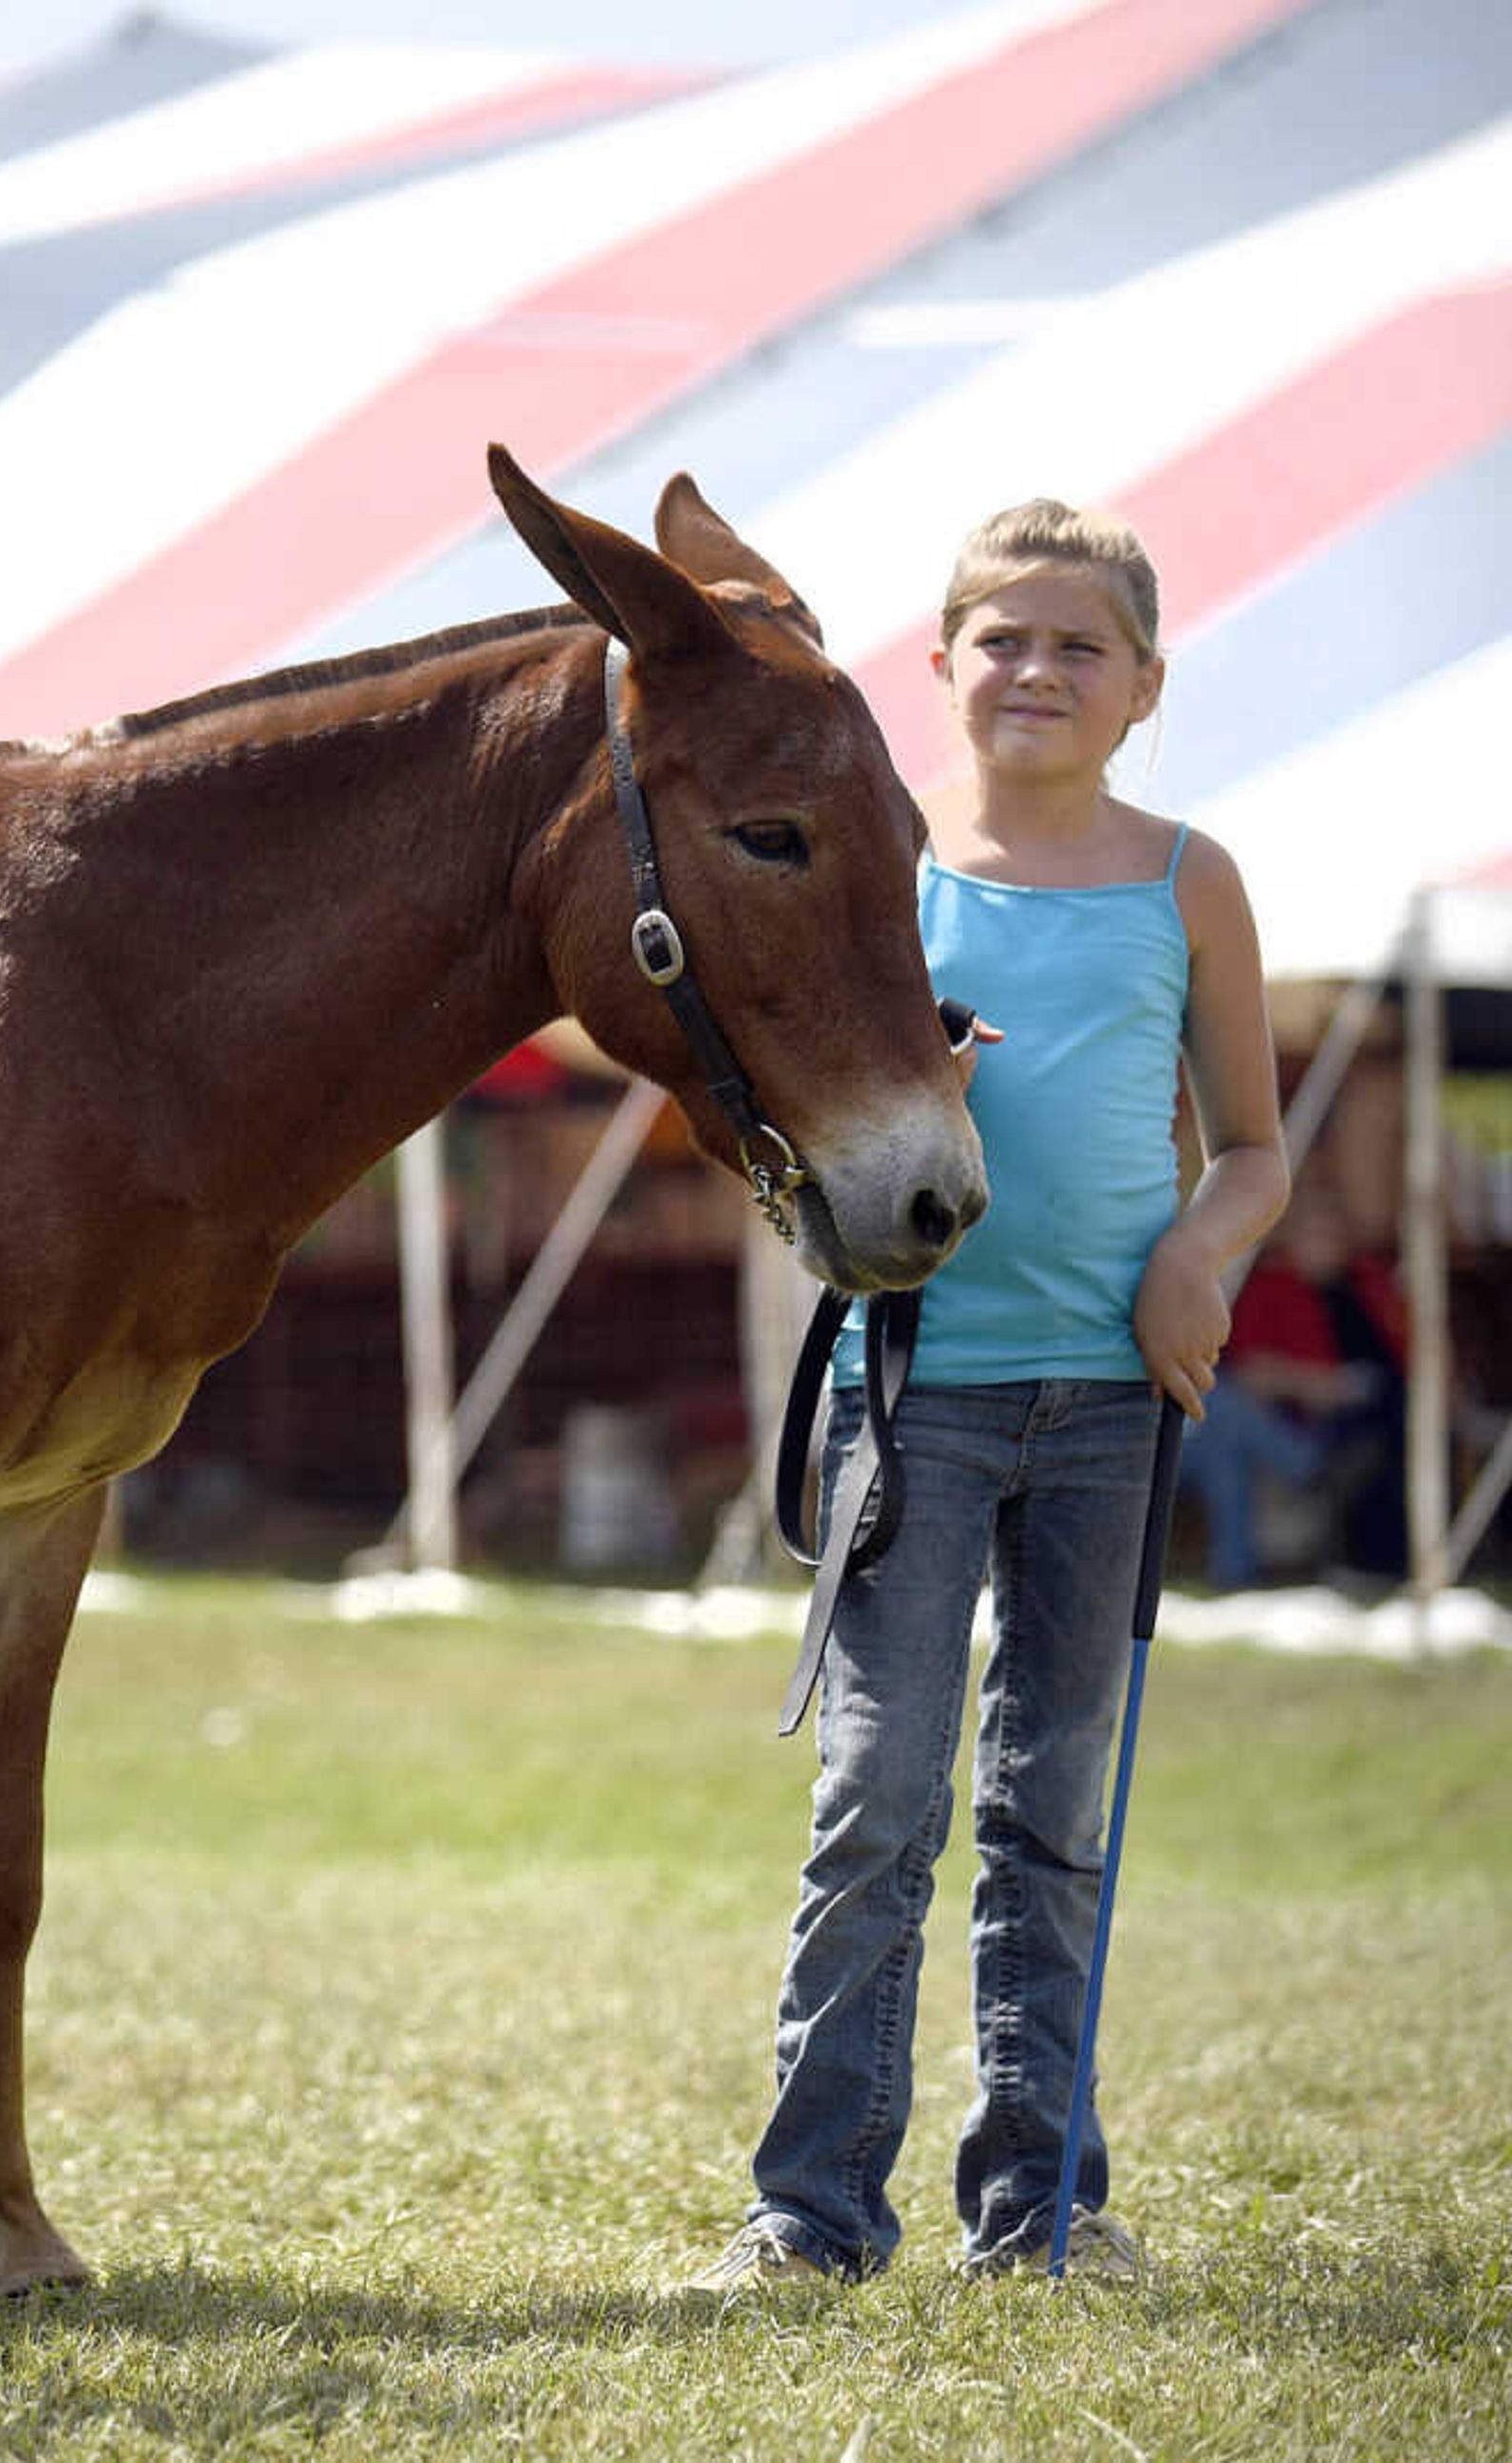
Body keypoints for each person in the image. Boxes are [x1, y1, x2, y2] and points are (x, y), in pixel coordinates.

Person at [687, 501, 1286, 2292]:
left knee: (1059, 1808)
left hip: (1117, 1401)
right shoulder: (887, 858)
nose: (1035, 668)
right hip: (917, 1388)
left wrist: (1201, 1253)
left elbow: (1254, 1147)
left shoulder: (1190, 878)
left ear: (1144, 685)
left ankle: (1042, 2210)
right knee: (878, 1796)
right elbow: (785, 1114)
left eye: (1076, 644)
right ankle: (808, 2213)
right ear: (936, 664)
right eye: (999, 637)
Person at [1179, 1188, 1410, 1587]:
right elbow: (1252, 1371)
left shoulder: (1365, 1285)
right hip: (1295, 1419)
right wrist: (1318, 1384)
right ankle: (1307, 1468)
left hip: (1363, 1417)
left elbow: (1399, 1359)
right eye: (1317, 1233)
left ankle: (1235, 1575)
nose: (1328, 1244)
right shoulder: (1272, 1288)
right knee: (1223, 1414)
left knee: (1223, 1424)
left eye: (1334, 1234)